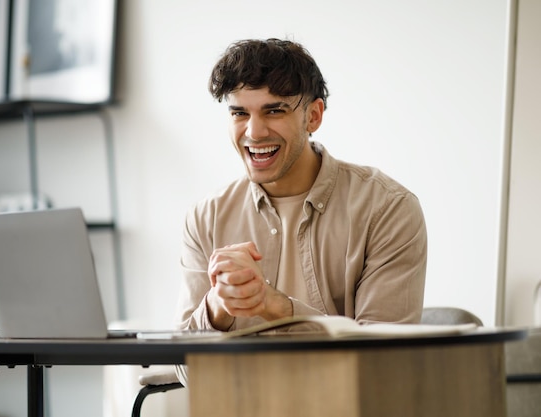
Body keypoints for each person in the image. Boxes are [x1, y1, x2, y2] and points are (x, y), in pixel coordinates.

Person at [175, 38, 427, 383]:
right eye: (239, 113)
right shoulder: (206, 218)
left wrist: (275, 306)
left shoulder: (387, 208)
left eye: (274, 111)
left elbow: (382, 366)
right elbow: (186, 372)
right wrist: (218, 306)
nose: (254, 131)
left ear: (314, 116)